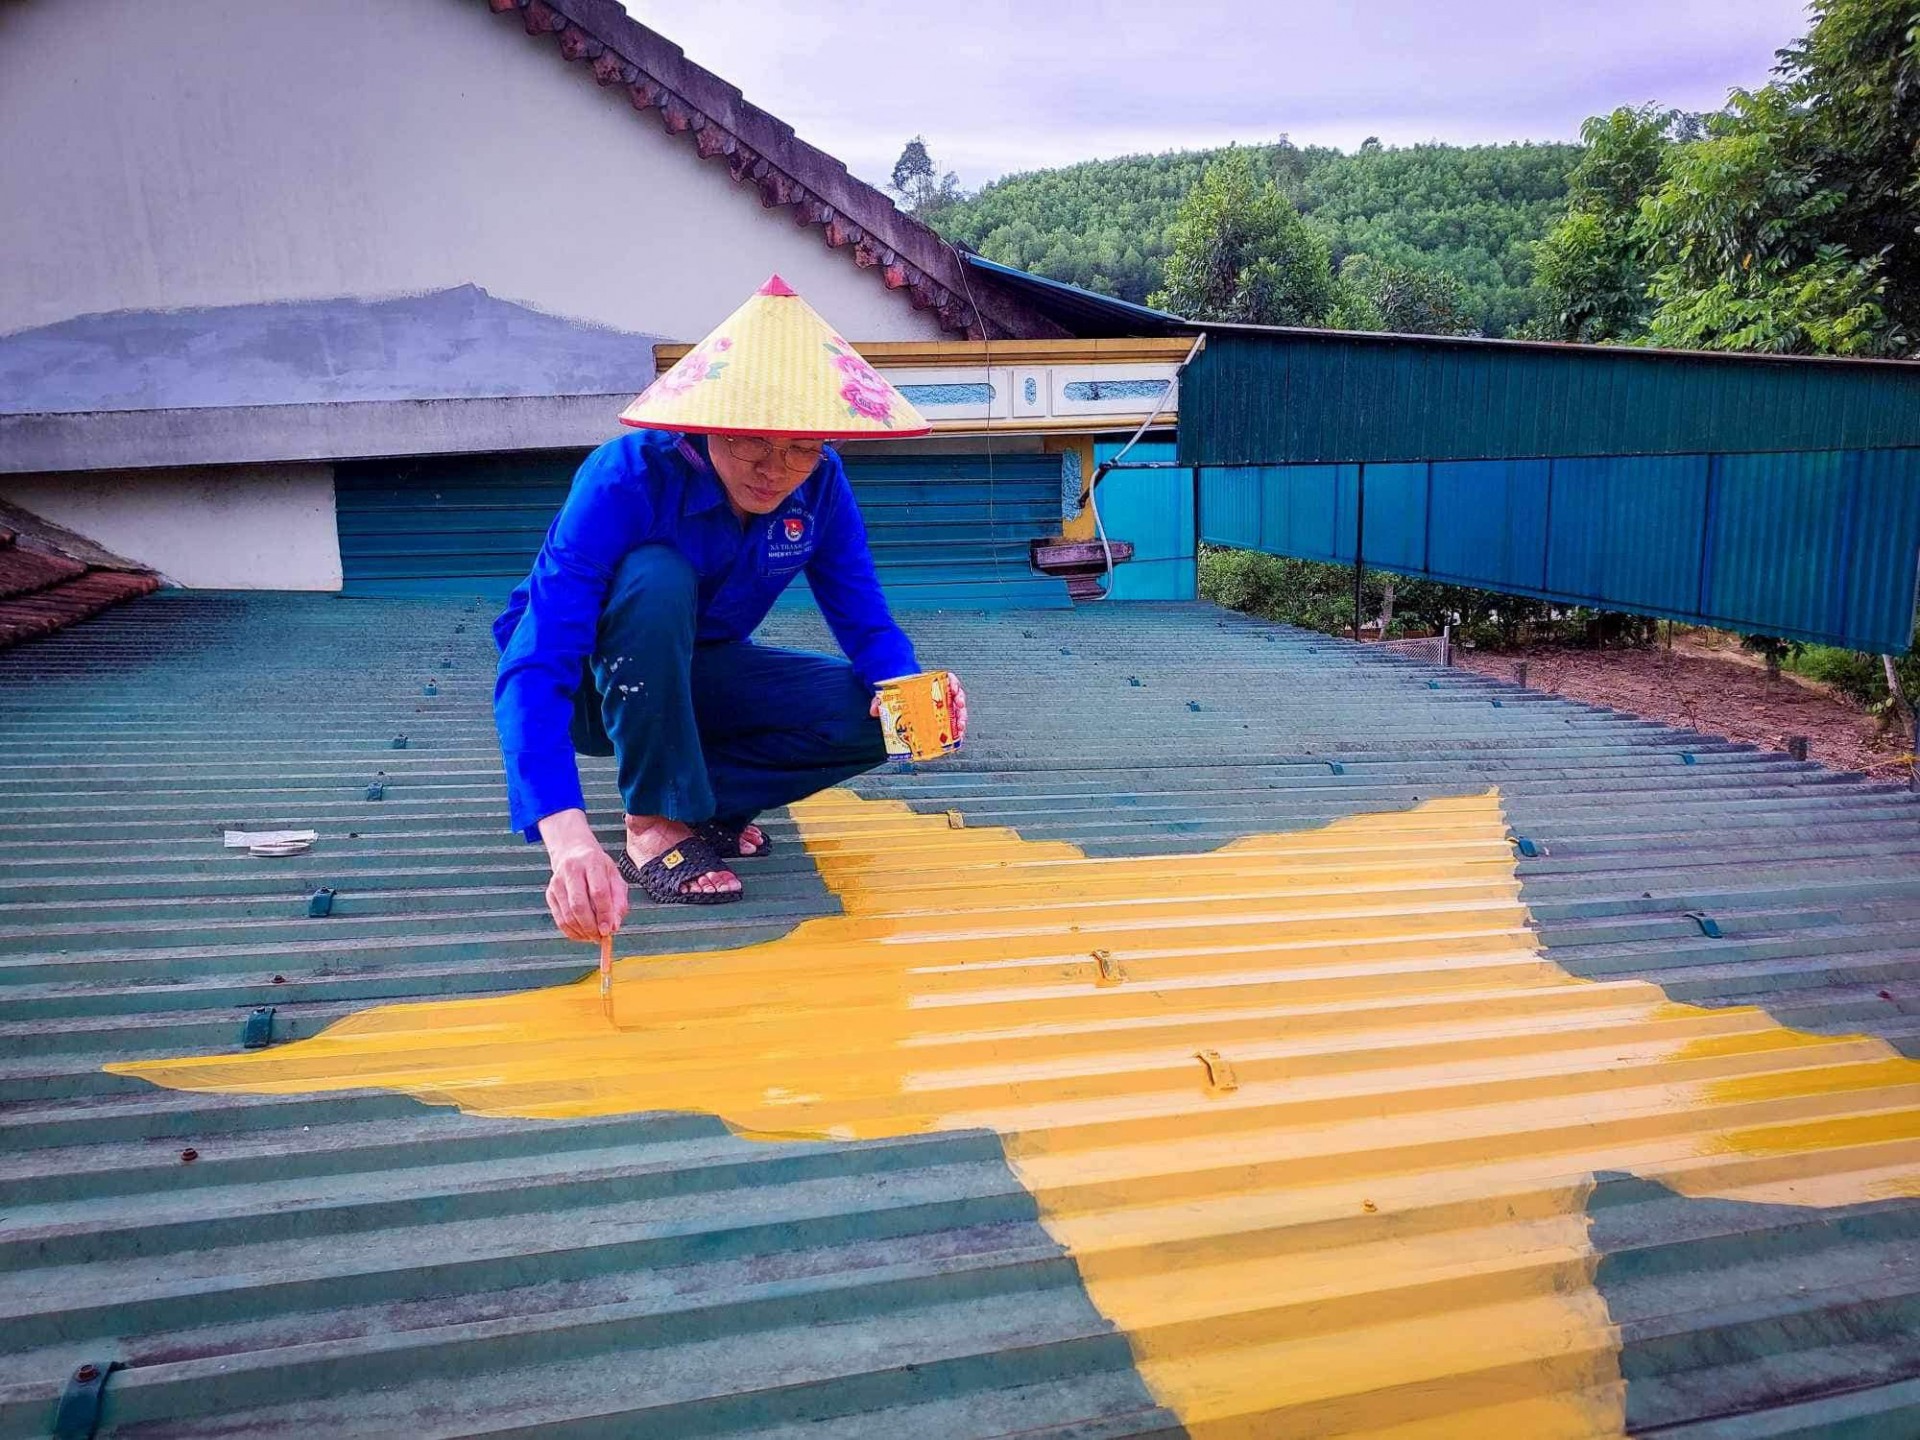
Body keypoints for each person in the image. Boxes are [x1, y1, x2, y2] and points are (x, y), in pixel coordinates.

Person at [493, 276, 967, 941]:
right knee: (656, 575)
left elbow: (865, 617)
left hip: (695, 671)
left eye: (800, 448)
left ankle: (699, 806)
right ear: (710, 420)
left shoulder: (821, 484)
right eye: (750, 442)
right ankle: (653, 821)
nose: (775, 470)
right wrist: (567, 838)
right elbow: (537, 661)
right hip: (595, 691)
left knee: (881, 720)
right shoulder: (625, 478)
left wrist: (907, 686)